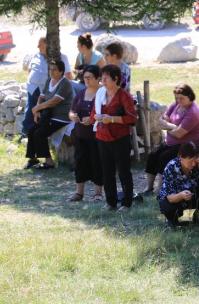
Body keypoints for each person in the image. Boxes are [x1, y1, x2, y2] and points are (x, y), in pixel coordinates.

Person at [90, 64, 138, 213]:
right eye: (101, 78)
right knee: (107, 172)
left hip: (120, 138)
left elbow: (132, 119)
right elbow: (92, 115)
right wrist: (97, 117)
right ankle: (111, 202)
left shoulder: (124, 96)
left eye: (106, 78)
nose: (103, 81)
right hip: (102, 138)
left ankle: (127, 203)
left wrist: (112, 119)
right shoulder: (100, 94)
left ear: (116, 79)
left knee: (124, 172)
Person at [141, 83, 199, 194]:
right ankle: (148, 186)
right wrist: (173, 127)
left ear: (190, 96)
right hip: (170, 141)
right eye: (177, 98)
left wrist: (168, 127)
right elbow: (160, 122)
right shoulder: (175, 105)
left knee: (164, 157)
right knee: (152, 155)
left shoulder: (193, 112)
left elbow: (180, 134)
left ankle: (160, 187)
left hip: (186, 145)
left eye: (181, 98)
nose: (178, 100)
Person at [24, 60, 74, 170]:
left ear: (61, 71)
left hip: (61, 117)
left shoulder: (65, 83)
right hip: (49, 115)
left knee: (40, 133)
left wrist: (37, 108)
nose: (51, 72)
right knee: (31, 130)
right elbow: (41, 97)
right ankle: (32, 158)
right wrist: (37, 111)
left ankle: (49, 161)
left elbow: (54, 101)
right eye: (50, 69)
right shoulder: (49, 81)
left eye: (54, 69)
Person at [157, 142, 199, 229]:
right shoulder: (171, 167)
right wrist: (181, 195)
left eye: (195, 160)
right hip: (174, 198)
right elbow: (169, 197)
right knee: (169, 208)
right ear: (181, 157)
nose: (193, 164)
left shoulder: (198, 163)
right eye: (190, 160)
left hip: (191, 195)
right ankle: (170, 219)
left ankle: (198, 215)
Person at [66, 65, 104, 202]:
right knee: (80, 162)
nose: (86, 80)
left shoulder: (103, 93)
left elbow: (107, 112)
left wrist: (92, 119)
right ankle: (79, 193)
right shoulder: (82, 93)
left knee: (97, 162)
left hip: (97, 135)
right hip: (81, 134)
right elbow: (72, 110)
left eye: (90, 77)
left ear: (98, 78)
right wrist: (72, 116)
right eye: (85, 77)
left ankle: (98, 193)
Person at [22, 38, 73, 134]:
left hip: (47, 92)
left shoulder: (61, 57)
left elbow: (68, 75)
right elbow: (30, 68)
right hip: (33, 89)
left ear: (47, 44)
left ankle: (34, 131)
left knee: (41, 116)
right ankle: (25, 133)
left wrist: (37, 108)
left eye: (39, 44)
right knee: (29, 112)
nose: (38, 47)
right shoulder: (36, 55)